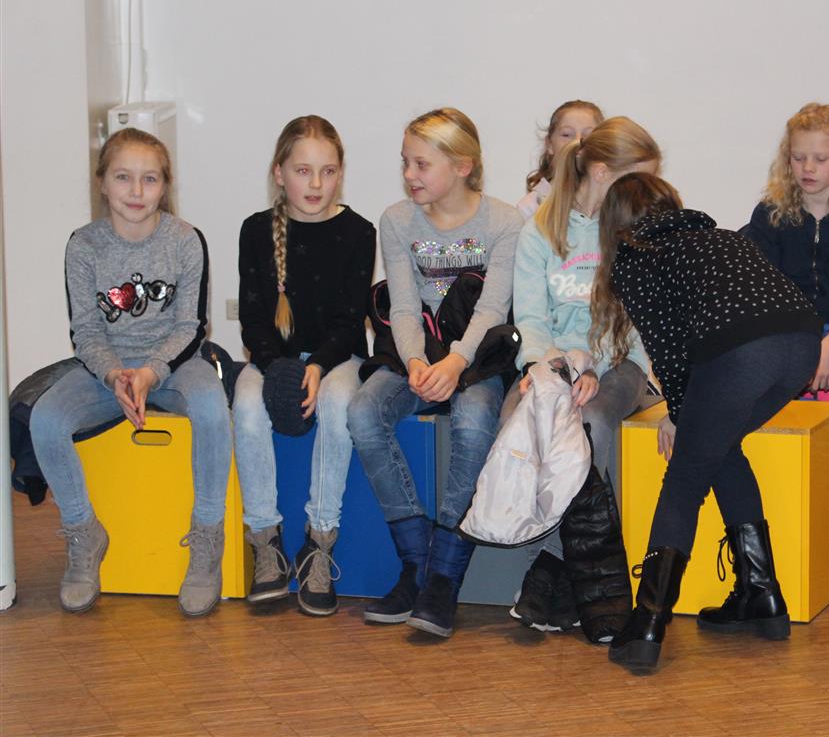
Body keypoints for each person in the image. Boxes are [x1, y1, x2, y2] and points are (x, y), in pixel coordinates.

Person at [590, 172, 822, 669]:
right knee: (719, 449)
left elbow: (670, 351)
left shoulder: (637, 258)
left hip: (740, 352)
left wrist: (678, 413)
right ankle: (761, 594)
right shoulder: (716, 236)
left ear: (616, 224)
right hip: (802, 343)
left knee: (685, 478)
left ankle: (647, 623)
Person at [29, 128, 231, 617]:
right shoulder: (84, 245)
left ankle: (207, 536)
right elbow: (85, 331)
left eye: (150, 179)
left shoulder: (185, 240)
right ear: (102, 182)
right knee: (45, 420)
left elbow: (190, 328)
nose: (137, 191)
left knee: (211, 409)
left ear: (165, 186)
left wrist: (150, 374)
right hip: (108, 369)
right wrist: (115, 375)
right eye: (123, 177)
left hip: (175, 365)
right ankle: (84, 532)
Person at [348, 107, 523, 638]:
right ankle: (415, 563)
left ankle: (445, 576)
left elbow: (492, 309)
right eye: (405, 162)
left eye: (421, 164)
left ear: (462, 166)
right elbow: (402, 306)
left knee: (473, 419)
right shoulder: (397, 221)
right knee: (363, 411)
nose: (409, 174)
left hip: (476, 355)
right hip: (417, 353)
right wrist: (417, 361)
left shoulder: (504, 223)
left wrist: (456, 361)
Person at [506, 116, 658, 635]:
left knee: (589, 423)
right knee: (528, 417)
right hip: (560, 365)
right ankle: (566, 577)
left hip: (621, 362)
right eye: (639, 179)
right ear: (600, 172)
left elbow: (632, 323)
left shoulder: (631, 228)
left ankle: (551, 568)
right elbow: (530, 320)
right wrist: (555, 368)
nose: (647, 193)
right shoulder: (539, 232)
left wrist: (592, 363)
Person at [233, 115, 376, 617]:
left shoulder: (358, 232)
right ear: (279, 173)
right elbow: (253, 320)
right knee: (246, 406)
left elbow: (349, 320)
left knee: (336, 402)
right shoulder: (256, 231)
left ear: (340, 174)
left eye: (328, 171)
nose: (316, 184)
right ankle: (265, 538)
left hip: (338, 357)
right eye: (302, 171)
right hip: (276, 359)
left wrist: (315, 367)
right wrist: (280, 372)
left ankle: (319, 539)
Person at [740, 103, 829, 464]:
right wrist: (806, 344)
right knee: (754, 375)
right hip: (787, 333)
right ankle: (779, 472)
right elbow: (766, 291)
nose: (808, 168)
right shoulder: (769, 214)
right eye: (798, 158)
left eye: (820, 159)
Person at [517, 100, 604, 218]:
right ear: (549, 144)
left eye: (589, 135)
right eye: (566, 135)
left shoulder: (613, 204)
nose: (577, 142)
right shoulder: (531, 207)